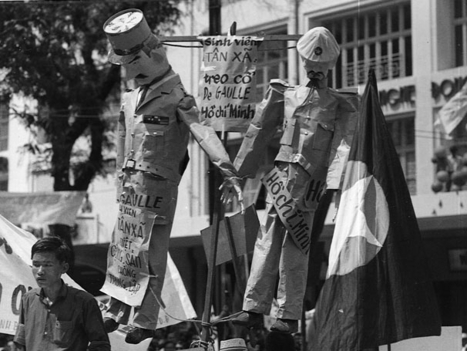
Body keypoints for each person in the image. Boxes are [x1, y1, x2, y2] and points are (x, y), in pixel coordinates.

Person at [101, 8, 243, 344]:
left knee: (151, 252)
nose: (130, 73)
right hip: (130, 188)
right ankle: (116, 308)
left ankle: (147, 320)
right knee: (123, 247)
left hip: (158, 187)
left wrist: (228, 170)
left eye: (134, 64)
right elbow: (122, 140)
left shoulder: (176, 96)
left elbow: (203, 132)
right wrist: (120, 177)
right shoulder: (130, 98)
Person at [231, 27, 358, 333]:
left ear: (329, 68)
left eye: (321, 67)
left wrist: (335, 184)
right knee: (268, 239)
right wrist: (237, 172)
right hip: (281, 177)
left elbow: (343, 144)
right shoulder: (284, 93)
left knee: (297, 244)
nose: (315, 72)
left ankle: (288, 314)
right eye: (311, 66)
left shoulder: (341, 104)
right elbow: (260, 129)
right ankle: (254, 308)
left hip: (312, 183)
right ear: (303, 64)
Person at [13, 236, 110, 351]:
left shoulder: (85, 302)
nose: (40, 271)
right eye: (36, 264)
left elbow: (101, 345)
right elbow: (20, 343)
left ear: (64, 268)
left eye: (48, 265)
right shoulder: (28, 299)